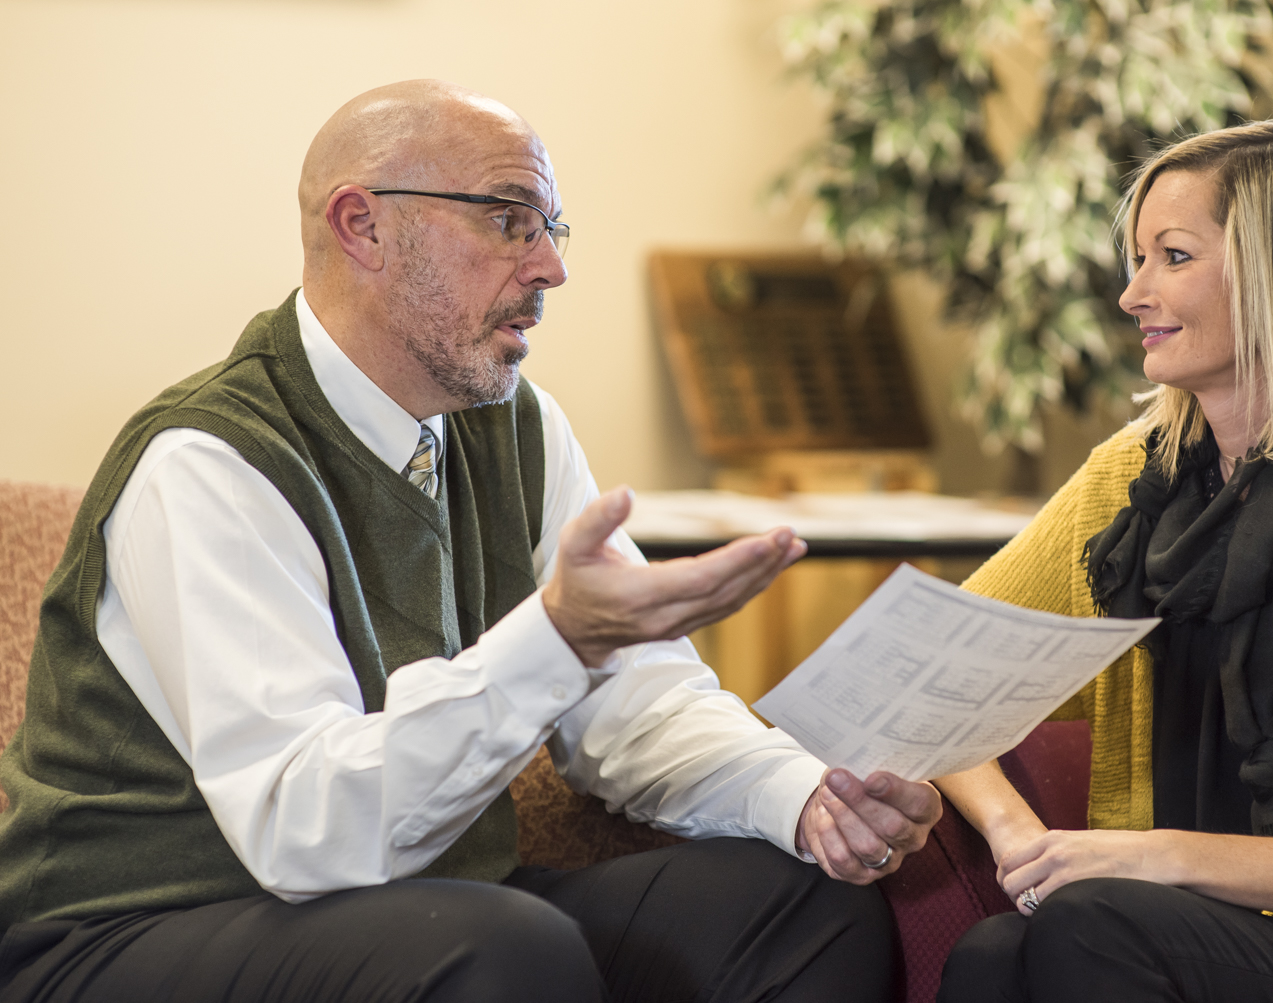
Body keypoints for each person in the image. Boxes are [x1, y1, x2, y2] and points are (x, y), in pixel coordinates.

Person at [0, 79, 942, 1003]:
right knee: (494, 948)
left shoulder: (517, 428)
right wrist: (558, 638)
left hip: (428, 912)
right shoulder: (211, 460)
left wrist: (803, 795)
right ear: (361, 226)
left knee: (793, 904)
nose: (549, 268)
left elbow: (637, 710)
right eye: (507, 219)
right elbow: (305, 831)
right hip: (131, 931)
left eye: (551, 229)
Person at [932, 120, 1273, 1002]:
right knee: (994, 953)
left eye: (1172, 256)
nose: (1131, 293)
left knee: (1093, 925)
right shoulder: (1132, 479)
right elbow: (944, 674)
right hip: (1176, 927)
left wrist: (1155, 857)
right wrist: (1016, 835)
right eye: (1136, 258)